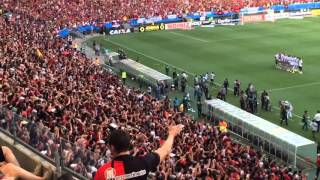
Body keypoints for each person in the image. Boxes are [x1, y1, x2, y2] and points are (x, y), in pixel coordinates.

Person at [94, 124, 183, 180]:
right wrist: (172, 134)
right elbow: (165, 150)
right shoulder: (143, 162)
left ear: (112, 147)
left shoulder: (102, 172)